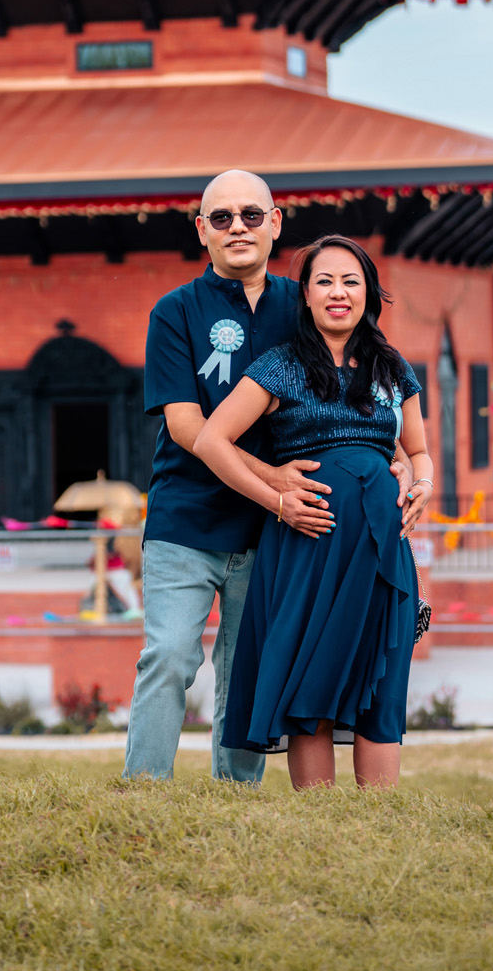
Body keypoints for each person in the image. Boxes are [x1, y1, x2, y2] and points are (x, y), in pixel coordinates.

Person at [124, 175, 413, 782]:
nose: (238, 228)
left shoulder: (303, 299)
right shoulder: (175, 312)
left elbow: (371, 390)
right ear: (201, 230)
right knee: (171, 654)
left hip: (276, 534)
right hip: (190, 518)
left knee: (245, 665)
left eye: (251, 215)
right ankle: (144, 792)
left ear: (276, 224)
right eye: (222, 217)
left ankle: (237, 798)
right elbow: (187, 427)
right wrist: (276, 481)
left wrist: (404, 460)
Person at [194, 235, 433, 791]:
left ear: (368, 292)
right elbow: (212, 441)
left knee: (380, 679)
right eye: (324, 281)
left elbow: (417, 449)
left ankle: (380, 824)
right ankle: (319, 828)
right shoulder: (280, 366)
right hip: (310, 548)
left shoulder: (393, 368)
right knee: (314, 684)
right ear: (305, 295)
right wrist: (277, 499)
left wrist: (420, 482)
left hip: (382, 551)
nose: (338, 292)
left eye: (351, 281)